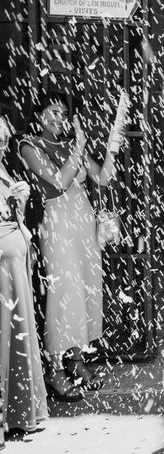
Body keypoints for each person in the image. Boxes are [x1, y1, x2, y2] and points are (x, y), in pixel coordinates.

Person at [19, 92, 123, 401]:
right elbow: (60, 181)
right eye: (53, 111)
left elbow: (102, 178)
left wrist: (113, 147)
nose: (59, 117)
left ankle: (76, 361)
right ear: (40, 115)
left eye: (63, 112)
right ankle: (55, 371)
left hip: (83, 223)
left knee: (85, 289)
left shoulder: (69, 145)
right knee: (64, 293)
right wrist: (79, 143)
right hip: (59, 224)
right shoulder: (30, 146)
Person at [0, 117, 47, 439]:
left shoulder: (3, 168)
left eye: (4, 138)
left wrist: (22, 200)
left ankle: (17, 412)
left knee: (18, 334)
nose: (3, 144)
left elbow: (12, 215)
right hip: (3, 269)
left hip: (14, 265)